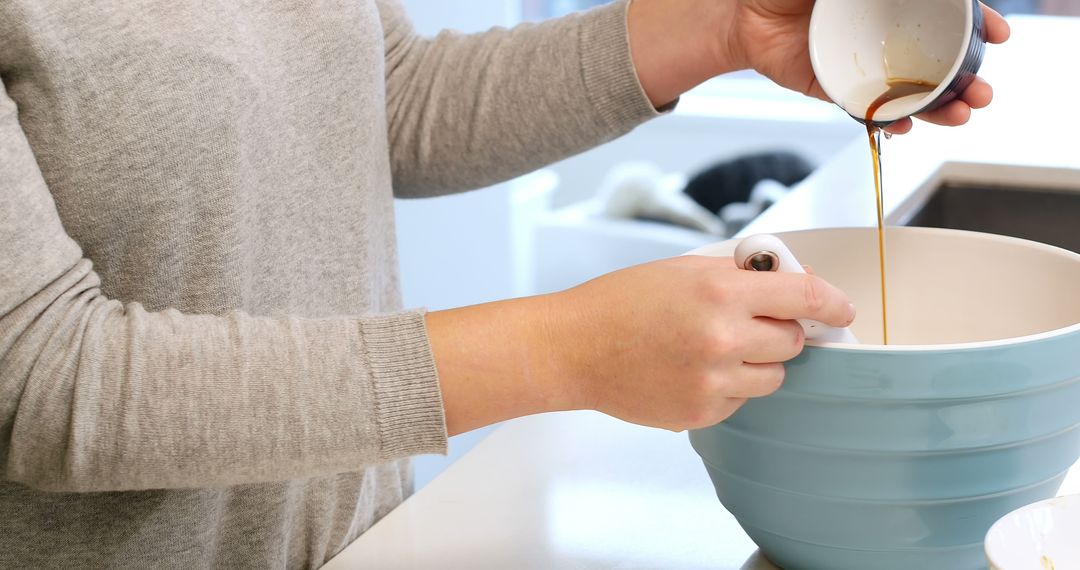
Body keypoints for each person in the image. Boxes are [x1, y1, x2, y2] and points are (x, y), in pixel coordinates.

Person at [0, 0, 1009, 568]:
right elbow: (44, 384)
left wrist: (722, 28)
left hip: (362, 546)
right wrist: (562, 350)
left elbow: (383, 96)